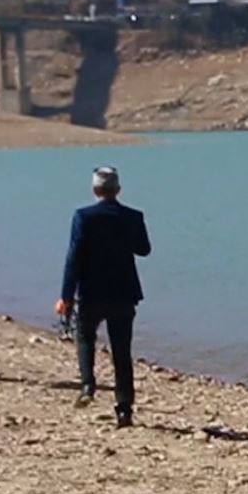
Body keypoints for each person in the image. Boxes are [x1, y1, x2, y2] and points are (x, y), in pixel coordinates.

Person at [56, 167, 151, 428]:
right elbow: (144, 249)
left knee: (85, 338)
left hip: (91, 292)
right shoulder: (132, 216)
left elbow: (73, 257)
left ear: (95, 190)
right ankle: (124, 409)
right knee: (122, 351)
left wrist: (66, 295)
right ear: (117, 190)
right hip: (123, 293)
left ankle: (87, 385)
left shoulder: (83, 217)